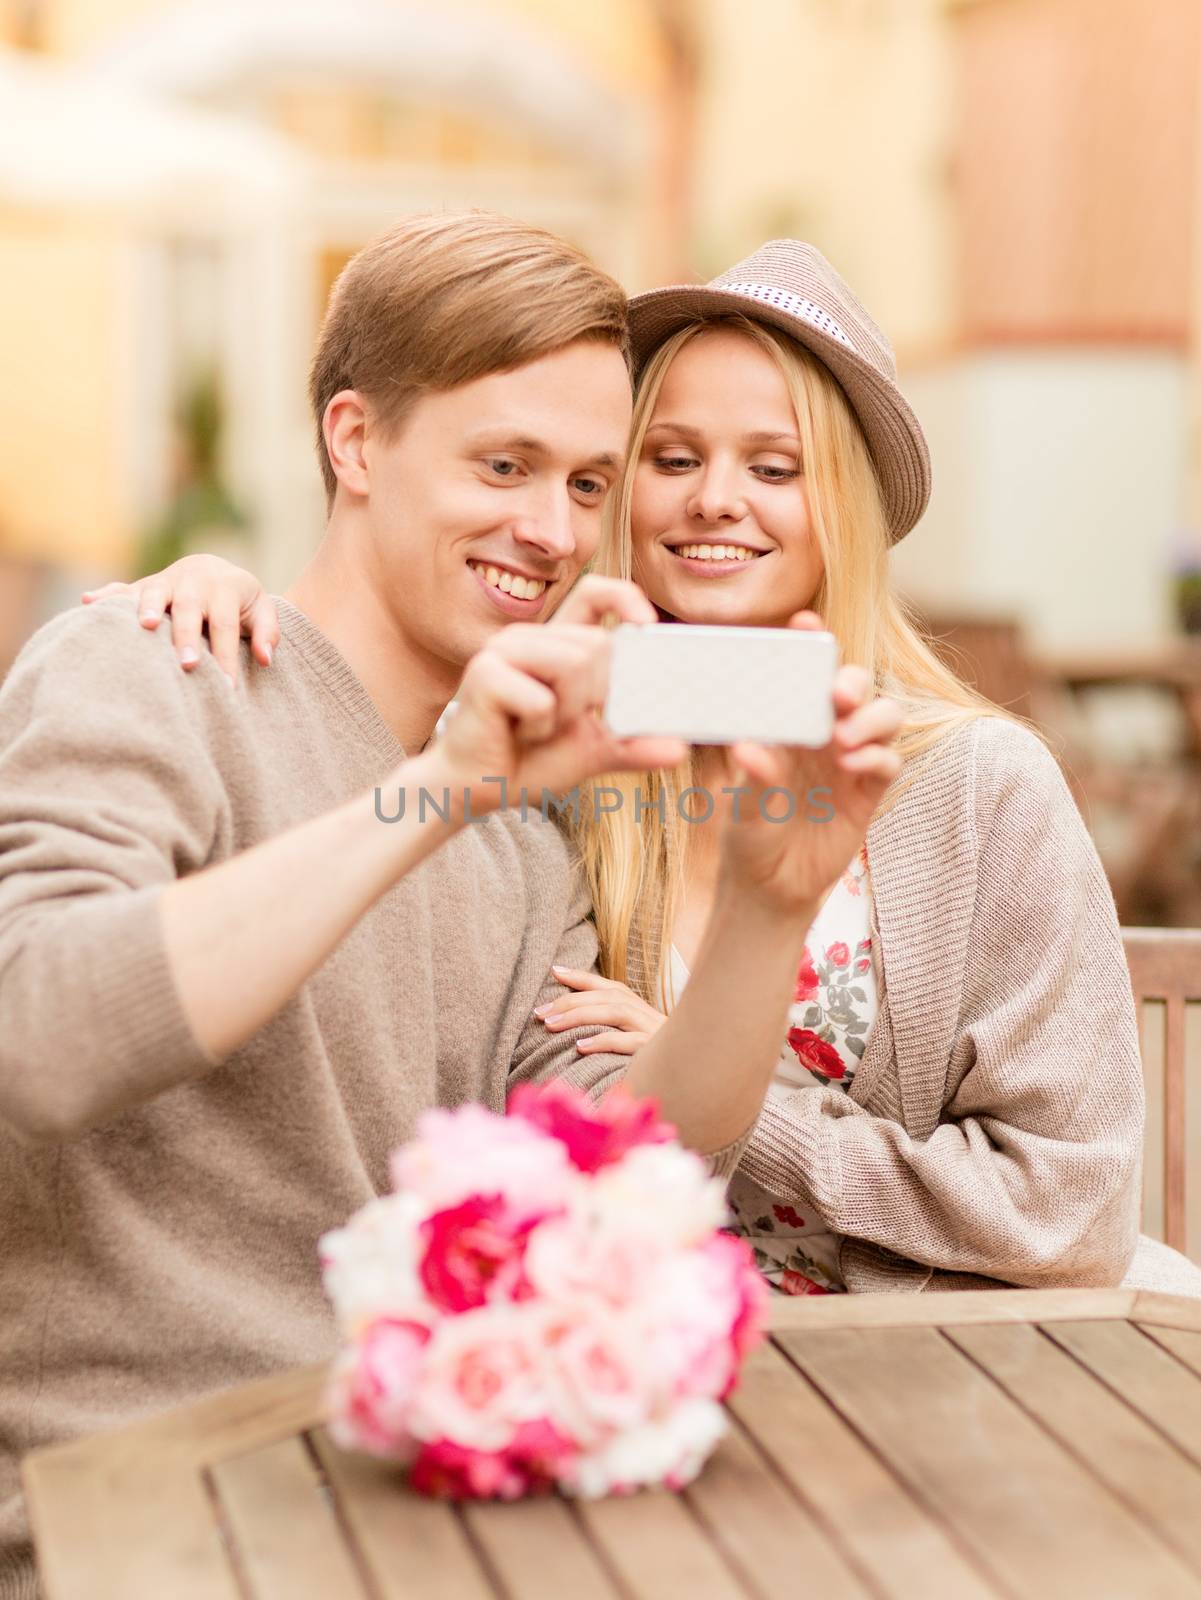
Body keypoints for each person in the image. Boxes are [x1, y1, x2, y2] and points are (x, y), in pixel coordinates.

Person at [0, 214, 902, 1598]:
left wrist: (769, 916)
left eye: (589, 482)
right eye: (503, 466)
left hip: (402, 1508)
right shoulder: (146, 670)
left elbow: (623, 1158)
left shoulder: (525, 835)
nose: (548, 531)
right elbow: (42, 1039)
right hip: (131, 1518)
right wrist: (435, 792)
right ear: (355, 444)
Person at [123, 239, 1201, 1302]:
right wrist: (234, 597)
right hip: (624, 1360)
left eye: (773, 467)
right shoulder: (558, 758)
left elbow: (1071, 1210)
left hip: (946, 1372)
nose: (713, 499)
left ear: (843, 507)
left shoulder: (973, 787)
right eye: (671, 459)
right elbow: (369, 727)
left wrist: (758, 1110)